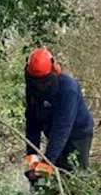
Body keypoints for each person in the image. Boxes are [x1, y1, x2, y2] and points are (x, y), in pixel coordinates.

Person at [23, 47, 94, 181]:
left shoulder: (68, 89)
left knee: (75, 174)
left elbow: (62, 129)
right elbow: (32, 123)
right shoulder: (31, 86)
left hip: (77, 134)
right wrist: (32, 158)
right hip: (52, 130)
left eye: (43, 82)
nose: (39, 86)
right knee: (52, 175)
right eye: (36, 81)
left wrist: (47, 163)